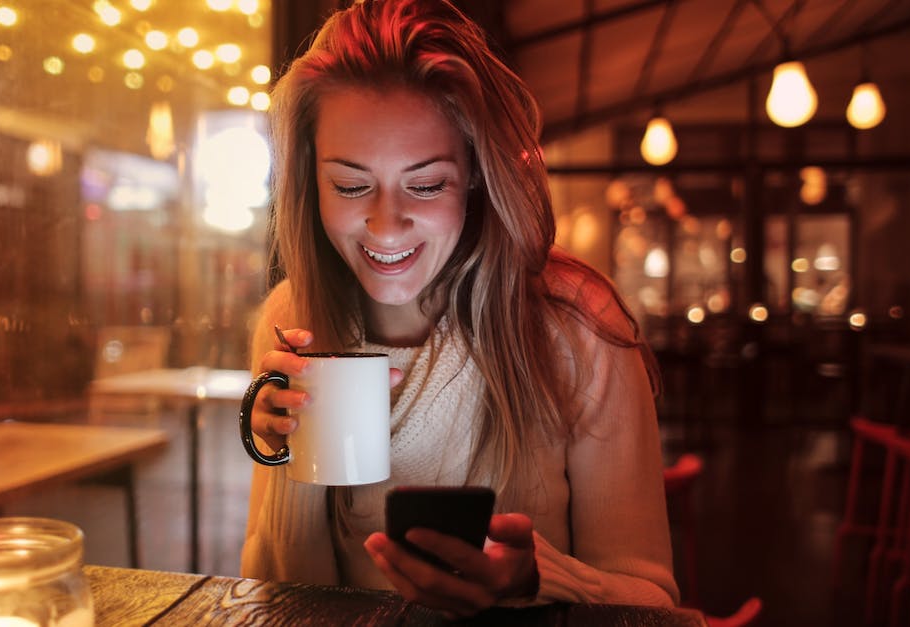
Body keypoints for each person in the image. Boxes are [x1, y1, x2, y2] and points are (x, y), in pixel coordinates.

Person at [242, 0, 678, 616]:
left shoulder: (575, 326)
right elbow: (288, 601)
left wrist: (542, 583)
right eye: (350, 184)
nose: (386, 226)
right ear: (310, 182)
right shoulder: (296, 315)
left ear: (475, 175)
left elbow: (654, 602)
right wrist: (289, 456)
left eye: (425, 185)